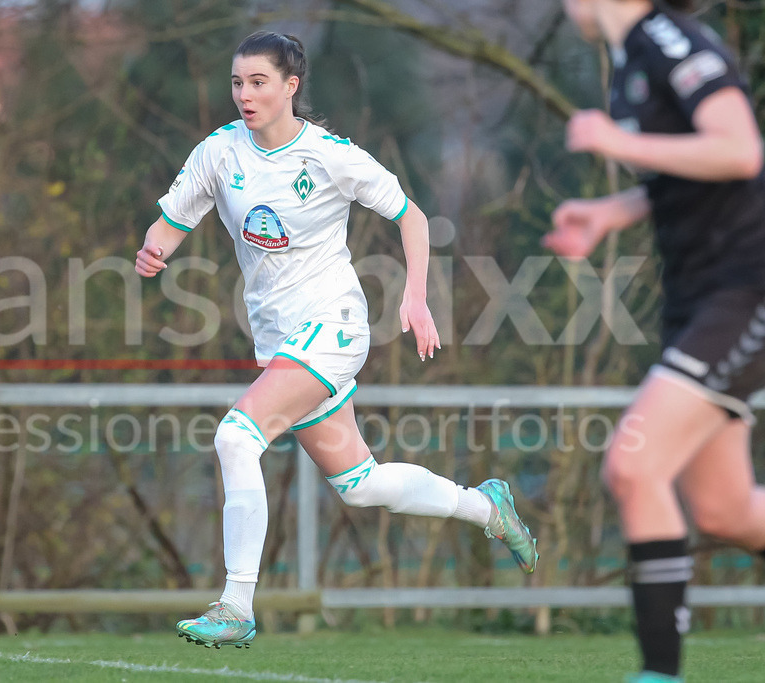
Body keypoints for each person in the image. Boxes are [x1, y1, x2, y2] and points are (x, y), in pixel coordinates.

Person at [134, 30, 538, 649]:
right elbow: (170, 224)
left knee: (235, 436)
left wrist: (415, 297)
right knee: (360, 484)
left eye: (259, 82)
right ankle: (487, 508)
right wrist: (153, 250)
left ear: (290, 86)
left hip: (333, 325)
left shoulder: (329, 155)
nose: (245, 94)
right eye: (238, 83)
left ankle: (236, 605)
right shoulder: (219, 152)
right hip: (280, 341)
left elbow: (411, 216)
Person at [546, 2, 765, 680]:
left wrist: (618, 142)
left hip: (745, 288)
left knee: (633, 465)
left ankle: (659, 675)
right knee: (726, 511)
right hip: (698, 298)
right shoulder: (632, 58)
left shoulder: (670, 40)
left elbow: (739, 150)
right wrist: (612, 212)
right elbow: (690, 174)